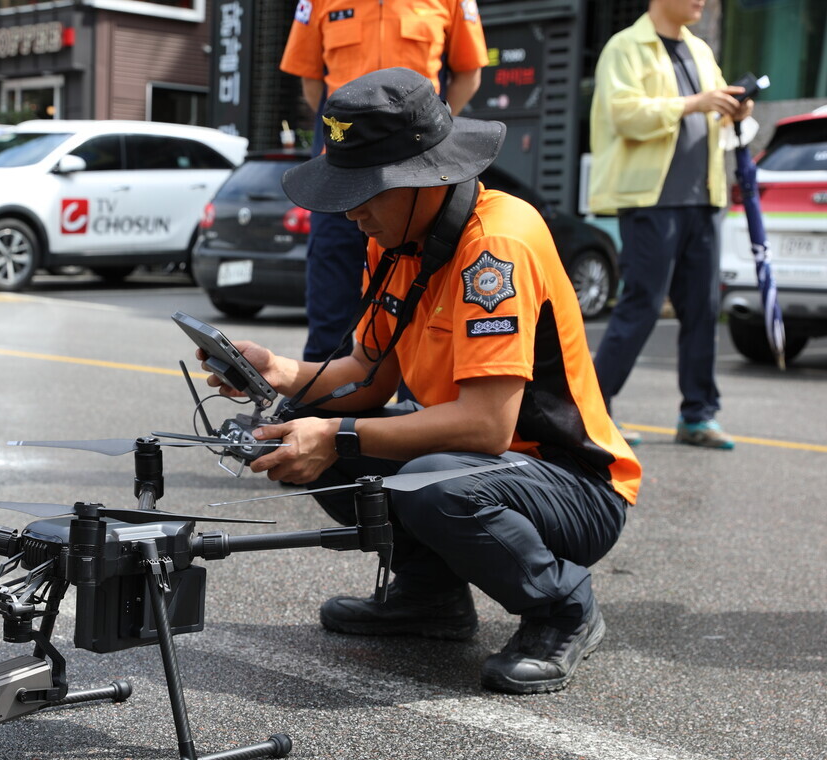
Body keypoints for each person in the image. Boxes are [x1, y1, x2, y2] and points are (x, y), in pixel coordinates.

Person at [194, 69, 641, 695]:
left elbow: (488, 428)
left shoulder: (496, 246)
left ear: (422, 177)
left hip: (573, 483)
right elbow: (367, 378)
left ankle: (564, 608)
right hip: (480, 464)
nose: (351, 212)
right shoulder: (398, 242)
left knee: (417, 477)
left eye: (366, 192)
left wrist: (338, 434)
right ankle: (429, 597)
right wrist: (280, 375)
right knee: (305, 436)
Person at [280, 0, 487, 362]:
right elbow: (311, 79)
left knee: (425, 290)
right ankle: (322, 399)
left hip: (416, 163)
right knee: (331, 287)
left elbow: (469, 74)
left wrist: (431, 132)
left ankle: (420, 407)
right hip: (343, 161)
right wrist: (354, 140)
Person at [588, 0, 752, 449]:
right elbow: (624, 114)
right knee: (642, 304)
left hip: (702, 199)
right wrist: (695, 103)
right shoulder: (624, 47)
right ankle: (592, 413)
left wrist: (733, 110)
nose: (703, 1)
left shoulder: (700, 50)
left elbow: (713, 113)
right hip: (650, 200)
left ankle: (698, 415)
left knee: (701, 309)